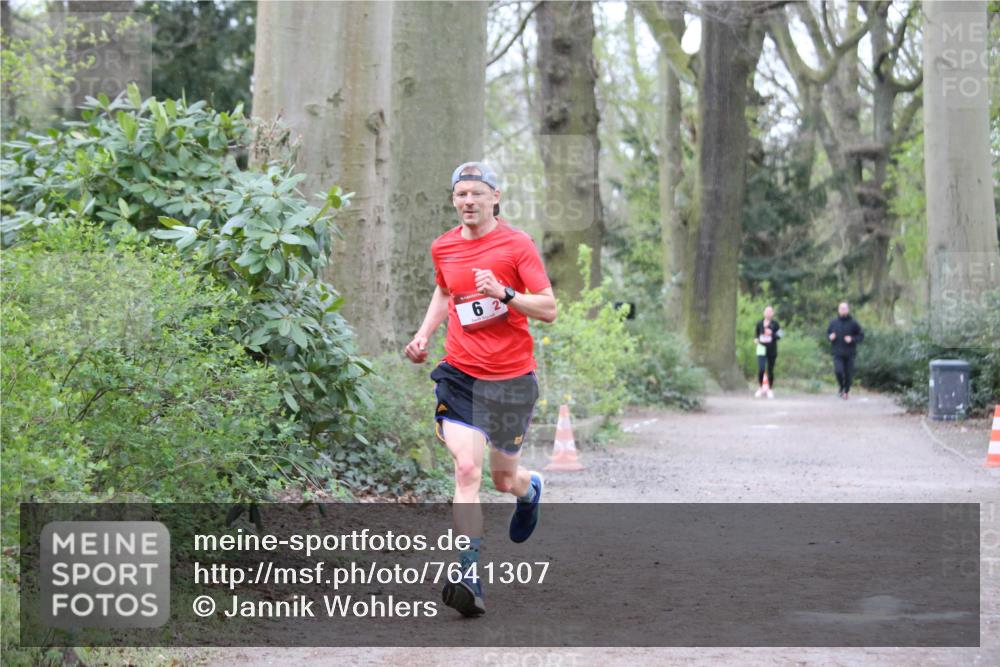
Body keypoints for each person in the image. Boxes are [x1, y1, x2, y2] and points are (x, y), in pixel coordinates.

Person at [404, 161, 557, 617]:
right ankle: (469, 575)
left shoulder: (517, 244)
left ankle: (530, 490)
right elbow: (445, 293)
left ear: (495, 197)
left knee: (502, 478)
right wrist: (423, 335)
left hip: (511, 380)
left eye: (476, 193)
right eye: (460, 194)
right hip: (461, 376)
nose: (467, 201)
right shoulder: (444, 246)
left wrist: (507, 294)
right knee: (467, 470)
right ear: (453, 199)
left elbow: (548, 308)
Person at [826, 301, 864, 399]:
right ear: (838, 310)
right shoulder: (833, 322)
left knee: (848, 374)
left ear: (848, 310)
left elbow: (861, 336)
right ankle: (841, 387)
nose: (843, 310)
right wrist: (830, 337)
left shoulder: (853, 323)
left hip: (850, 352)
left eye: (844, 308)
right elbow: (827, 334)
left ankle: (846, 391)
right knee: (838, 371)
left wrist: (852, 339)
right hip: (837, 352)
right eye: (841, 309)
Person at [753, 305, 782, 398]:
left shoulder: (775, 324)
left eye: (770, 311)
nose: (768, 313)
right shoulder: (759, 323)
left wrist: (772, 334)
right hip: (761, 348)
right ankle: (761, 387)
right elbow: (756, 335)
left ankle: (769, 389)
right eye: (767, 311)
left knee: (770, 369)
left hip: (772, 349)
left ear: (773, 313)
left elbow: (780, 336)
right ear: (764, 313)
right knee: (761, 368)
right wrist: (756, 339)